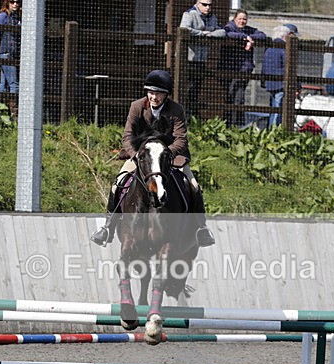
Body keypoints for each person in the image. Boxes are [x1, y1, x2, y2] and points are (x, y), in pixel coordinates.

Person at [90, 70, 216, 248]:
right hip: (142, 157)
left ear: (166, 94)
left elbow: (180, 139)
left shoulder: (176, 110)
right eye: (151, 92)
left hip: (170, 157)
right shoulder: (136, 106)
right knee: (118, 183)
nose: (154, 97)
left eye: (158, 93)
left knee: (193, 185)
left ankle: (201, 228)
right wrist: (136, 155)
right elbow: (127, 136)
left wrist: (164, 154)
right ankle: (108, 227)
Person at [218, 10, 266, 126]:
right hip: (230, 69)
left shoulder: (249, 30)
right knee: (230, 96)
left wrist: (250, 37)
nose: (242, 21)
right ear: (234, 19)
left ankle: (237, 124)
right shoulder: (229, 27)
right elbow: (227, 33)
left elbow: (262, 35)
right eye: (240, 19)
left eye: (244, 19)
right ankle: (230, 124)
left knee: (239, 96)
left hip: (244, 70)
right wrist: (245, 37)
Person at [179, 0, 226, 118]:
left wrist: (209, 34)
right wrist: (201, 33)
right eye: (204, 5)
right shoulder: (189, 14)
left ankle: (192, 118)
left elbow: (222, 31)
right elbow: (184, 29)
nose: (207, 7)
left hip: (202, 60)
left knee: (196, 89)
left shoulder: (212, 17)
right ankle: (182, 116)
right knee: (185, 89)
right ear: (197, 3)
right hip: (187, 60)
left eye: (210, 5)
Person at [261, 24, 297, 128]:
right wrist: (296, 84)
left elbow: (264, 68)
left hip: (270, 84)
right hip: (281, 84)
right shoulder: (284, 50)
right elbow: (288, 69)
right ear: (284, 36)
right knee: (279, 110)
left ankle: (271, 129)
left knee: (274, 109)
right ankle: (275, 130)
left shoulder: (269, 49)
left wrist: (264, 82)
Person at [0, 0, 21, 97]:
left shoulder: (16, 17)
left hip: (12, 54)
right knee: (14, 85)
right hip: (5, 54)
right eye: (12, 2)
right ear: (7, 3)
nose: (15, 4)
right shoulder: (3, 16)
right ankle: (14, 107)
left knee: (3, 85)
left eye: (17, 2)